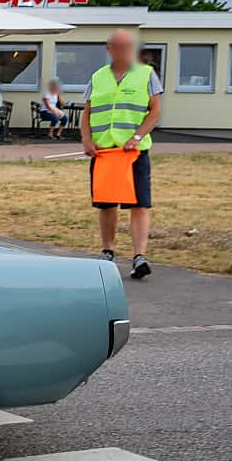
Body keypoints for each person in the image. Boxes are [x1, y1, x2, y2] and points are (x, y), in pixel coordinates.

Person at [83, 27, 164, 279]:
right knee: (107, 205)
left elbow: (155, 111)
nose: (126, 52)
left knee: (138, 204)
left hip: (134, 153)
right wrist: (86, 140)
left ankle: (140, 256)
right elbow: (87, 113)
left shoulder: (146, 74)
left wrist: (137, 136)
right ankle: (107, 251)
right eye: (120, 47)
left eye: (129, 47)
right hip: (105, 153)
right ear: (109, 50)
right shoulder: (97, 77)